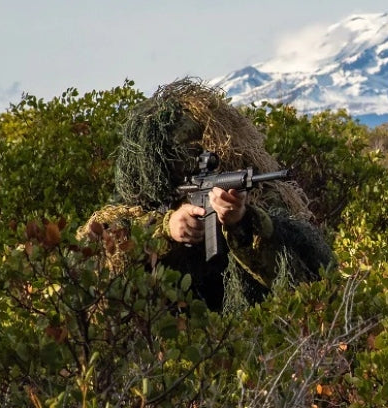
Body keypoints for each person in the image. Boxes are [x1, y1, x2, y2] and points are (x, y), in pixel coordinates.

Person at [83, 79, 334, 312]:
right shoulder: (139, 199)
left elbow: (300, 281)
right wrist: (166, 228)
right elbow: (93, 251)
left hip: (240, 327)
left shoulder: (260, 194)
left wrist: (242, 223)